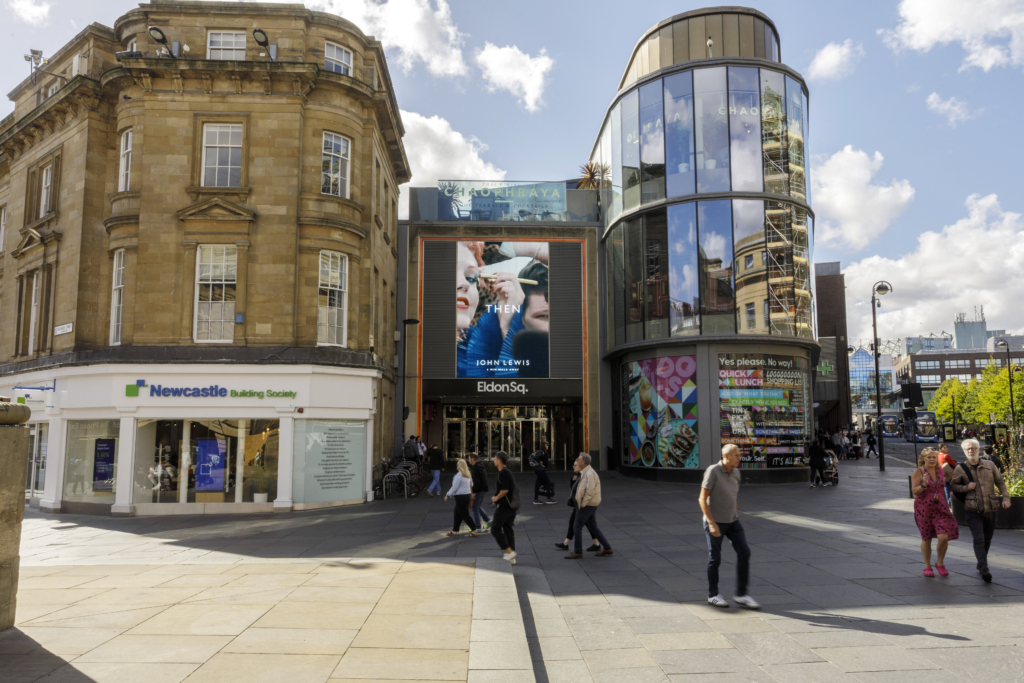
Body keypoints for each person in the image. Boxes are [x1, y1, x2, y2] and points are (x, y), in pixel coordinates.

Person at [698, 445, 759, 610]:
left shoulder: (737, 473)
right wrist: (711, 523)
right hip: (715, 521)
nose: (740, 458)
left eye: (740, 455)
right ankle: (713, 595)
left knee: (744, 552)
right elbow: (702, 499)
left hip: (732, 521)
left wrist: (736, 515)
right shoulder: (713, 471)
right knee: (715, 558)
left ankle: (741, 595)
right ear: (726, 455)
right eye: (737, 455)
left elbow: (733, 497)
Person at [950, 438, 1011, 583]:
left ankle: (981, 562)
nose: (971, 451)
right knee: (978, 538)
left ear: (979, 449)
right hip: (972, 508)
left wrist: (1006, 498)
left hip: (990, 507)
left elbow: (1000, 482)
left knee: (987, 539)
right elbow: (954, 487)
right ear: (965, 451)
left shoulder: (990, 465)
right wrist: (966, 488)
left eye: (974, 448)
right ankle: (984, 568)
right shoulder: (960, 468)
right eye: (968, 449)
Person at [911, 448, 959, 577]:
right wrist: (924, 485)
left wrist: (947, 505)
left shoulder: (940, 471)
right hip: (924, 508)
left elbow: (943, 488)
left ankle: (940, 562)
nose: (932, 459)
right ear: (923, 459)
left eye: (933, 457)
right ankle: (927, 566)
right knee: (926, 538)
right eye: (929, 457)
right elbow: (914, 492)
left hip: (940, 508)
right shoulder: (918, 472)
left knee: (943, 537)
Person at [563, 453, 613, 559]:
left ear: (583, 462)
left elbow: (589, 492)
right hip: (591, 504)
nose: (577, 460)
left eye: (579, 459)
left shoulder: (589, 473)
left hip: (588, 504)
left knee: (577, 526)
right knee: (593, 527)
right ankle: (607, 548)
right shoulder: (585, 472)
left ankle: (578, 551)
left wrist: (583, 504)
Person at [555, 456, 601, 552]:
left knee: (578, 524)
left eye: (575, 465)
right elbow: (574, 491)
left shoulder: (586, 475)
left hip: (584, 504)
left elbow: (588, 491)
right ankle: (596, 544)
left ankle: (599, 545)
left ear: (581, 466)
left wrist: (584, 503)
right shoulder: (579, 476)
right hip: (581, 504)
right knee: (587, 524)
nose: (573, 467)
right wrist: (573, 481)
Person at [490, 450, 518, 564]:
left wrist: (496, 498)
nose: (494, 460)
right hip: (511, 507)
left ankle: (509, 551)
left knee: (495, 528)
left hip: (504, 508)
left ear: (499, 460)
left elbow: (505, 490)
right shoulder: (508, 472)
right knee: (508, 529)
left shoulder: (503, 472)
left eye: (495, 458)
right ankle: (512, 556)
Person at [445, 459, 479, 538]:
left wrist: (447, 495)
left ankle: (474, 530)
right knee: (457, 513)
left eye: (457, 465)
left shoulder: (458, 476)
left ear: (459, 466)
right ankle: (454, 531)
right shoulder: (468, 474)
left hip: (460, 497)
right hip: (467, 496)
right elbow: (472, 484)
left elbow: (454, 487)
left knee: (464, 515)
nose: (456, 467)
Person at [468, 452, 491, 531]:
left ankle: (477, 527)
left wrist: (473, 492)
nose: (468, 460)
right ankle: (488, 520)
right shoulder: (481, 465)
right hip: (483, 489)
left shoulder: (475, 468)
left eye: (469, 459)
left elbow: (476, 482)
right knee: (477, 506)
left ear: (473, 459)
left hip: (479, 490)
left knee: (474, 507)